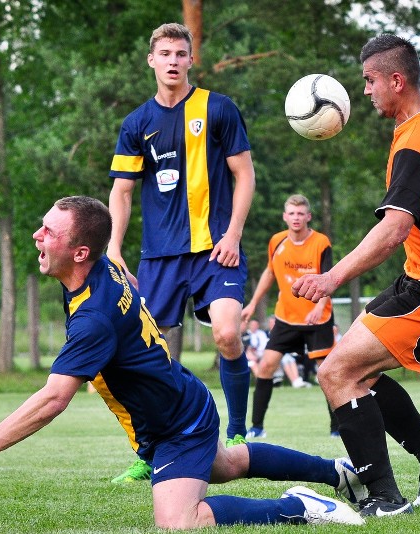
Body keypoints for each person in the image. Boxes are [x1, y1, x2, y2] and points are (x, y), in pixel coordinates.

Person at [0, 196, 365, 529]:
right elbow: (127, 276)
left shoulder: (94, 317)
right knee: (227, 465)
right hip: (179, 401)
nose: (37, 237)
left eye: (48, 232)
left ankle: (299, 507)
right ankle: (337, 472)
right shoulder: (102, 266)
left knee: (178, 521)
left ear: (80, 253)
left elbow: (53, 399)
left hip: (175, 424)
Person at [291, 34, 420, 517]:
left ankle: (384, 500)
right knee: (348, 367)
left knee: (336, 372)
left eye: (369, 81)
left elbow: (394, 228)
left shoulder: (414, 141)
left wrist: (330, 278)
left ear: (395, 80)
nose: (364, 92)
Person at [107, 23, 255, 480]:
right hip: (160, 259)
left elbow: (244, 175)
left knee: (227, 334)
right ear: (151, 60)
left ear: (192, 60)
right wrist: (113, 246)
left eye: (181, 53)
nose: (172, 60)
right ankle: (150, 450)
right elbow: (122, 192)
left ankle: (236, 432)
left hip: (216, 250)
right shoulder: (136, 123)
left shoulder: (218, 108)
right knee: (148, 358)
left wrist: (232, 235)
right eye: (164, 53)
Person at [240, 194, 336, 439]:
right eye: (292, 213)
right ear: (285, 216)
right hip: (286, 317)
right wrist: (251, 304)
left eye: (300, 213)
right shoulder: (277, 241)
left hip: (318, 318)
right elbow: (270, 273)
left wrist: (318, 306)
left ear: (308, 216)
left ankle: (337, 429)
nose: (296, 218)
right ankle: (257, 427)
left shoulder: (321, 242)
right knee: (265, 366)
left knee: (327, 373)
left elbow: (329, 278)